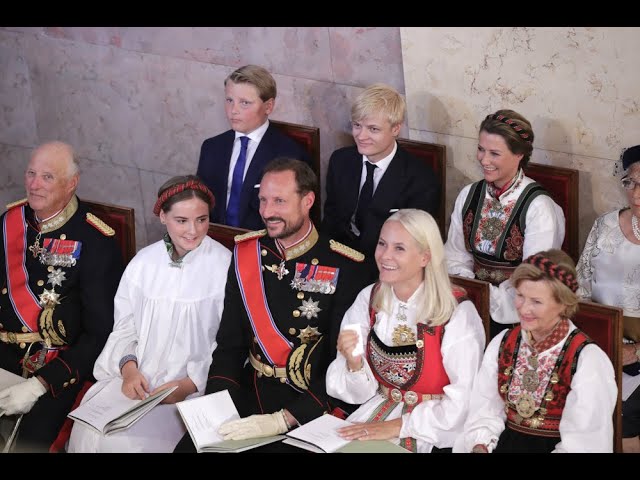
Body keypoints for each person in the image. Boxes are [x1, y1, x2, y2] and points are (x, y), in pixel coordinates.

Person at [173, 158, 369, 452]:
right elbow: (230, 345)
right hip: (251, 392)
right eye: (263, 200)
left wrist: (286, 419)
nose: (266, 212)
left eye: (279, 201)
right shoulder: (248, 254)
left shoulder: (346, 266)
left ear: (308, 201)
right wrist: (217, 408)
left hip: (307, 407)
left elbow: (340, 366)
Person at [67, 175, 230, 453]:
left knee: (125, 445)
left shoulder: (225, 266)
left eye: (202, 219)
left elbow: (229, 343)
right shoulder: (143, 263)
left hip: (190, 390)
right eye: (182, 220)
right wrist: (129, 370)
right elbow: (125, 327)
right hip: (137, 380)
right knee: (90, 433)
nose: (193, 230)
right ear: (163, 217)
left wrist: (189, 384)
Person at [325, 209, 485, 453]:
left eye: (399, 248)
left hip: (434, 428)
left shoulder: (457, 313)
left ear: (425, 257)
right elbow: (356, 394)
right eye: (382, 244)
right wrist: (354, 364)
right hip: (375, 409)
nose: (385, 255)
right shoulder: (369, 298)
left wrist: (399, 426)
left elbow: (464, 400)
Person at [0, 141, 123, 452]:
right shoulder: (11, 222)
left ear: (72, 183)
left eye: (47, 177)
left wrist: (40, 385)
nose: (34, 184)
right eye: (31, 173)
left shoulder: (95, 239)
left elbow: (99, 334)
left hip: (53, 369)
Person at [456, 249, 617, 453]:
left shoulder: (587, 360)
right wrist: (480, 445)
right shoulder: (503, 343)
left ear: (563, 304)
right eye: (520, 296)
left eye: (536, 302)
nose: (524, 309)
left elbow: (585, 444)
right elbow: (485, 410)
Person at [444, 109, 565, 339]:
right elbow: (455, 254)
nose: (484, 160)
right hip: (467, 302)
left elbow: (534, 277)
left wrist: (488, 298)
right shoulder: (469, 194)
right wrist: (471, 292)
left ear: (519, 154)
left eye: (494, 153)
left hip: (517, 314)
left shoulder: (539, 207)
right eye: (481, 149)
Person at [322, 83, 441, 273]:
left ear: (395, 129)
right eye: (357, 126)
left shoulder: (420, 179)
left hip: (386, 268)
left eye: (373, 129)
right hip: (337, 261)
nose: (361, 136)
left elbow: (415, 244)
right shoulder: (340, 161)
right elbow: (330, 220)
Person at [576, 144, 640, 453]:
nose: (636, 194)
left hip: (636, 359)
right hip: (599, 344)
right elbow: (580, 288)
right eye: (631, 183)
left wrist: (636, 352)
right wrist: (593, 339)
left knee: (624, 414)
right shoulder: (605, 225)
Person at [196, 64, 311, 230]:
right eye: (229, 100)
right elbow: (201, 204)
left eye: (244, 103)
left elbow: (293, 219)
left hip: (264, 241)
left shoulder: (290, 154)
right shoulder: (212, 148)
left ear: (268, 106)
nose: (233, 110)